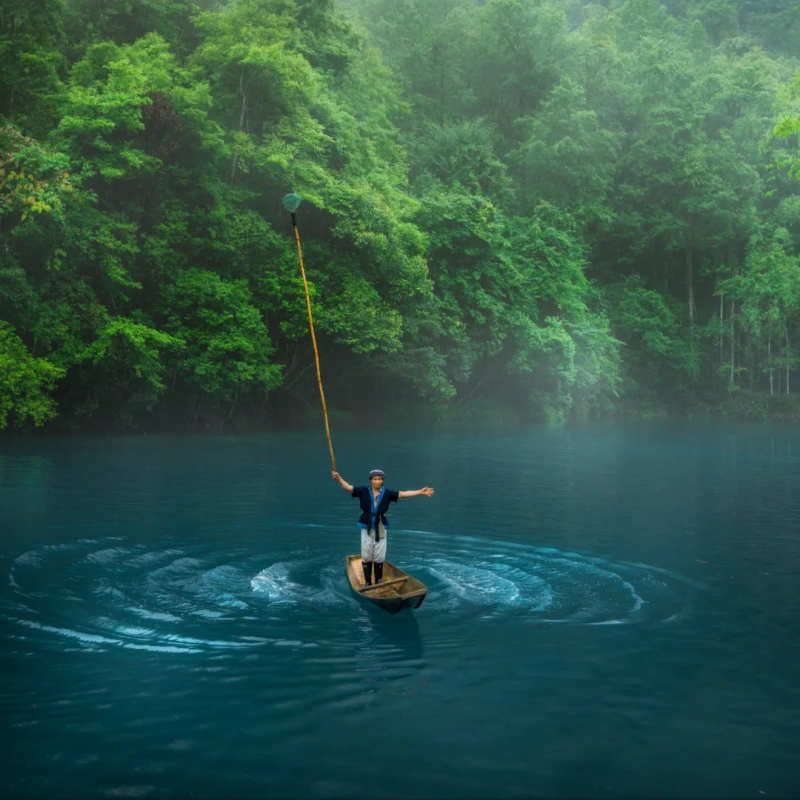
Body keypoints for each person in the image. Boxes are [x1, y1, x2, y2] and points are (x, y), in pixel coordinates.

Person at [332, 469, 434, 586]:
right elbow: (348, 487)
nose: (377, 482)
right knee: (366, 554)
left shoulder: (387, 493)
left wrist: (419, 492)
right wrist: (338, 479)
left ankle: (379, 580)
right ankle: (368, 583)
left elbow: (403, 494)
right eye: (375, 479)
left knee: (379, 555)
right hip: (366, 526)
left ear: (382, 480)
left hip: (380, 526)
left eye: (379, 479)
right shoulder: (363, 490)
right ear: (371, 480)